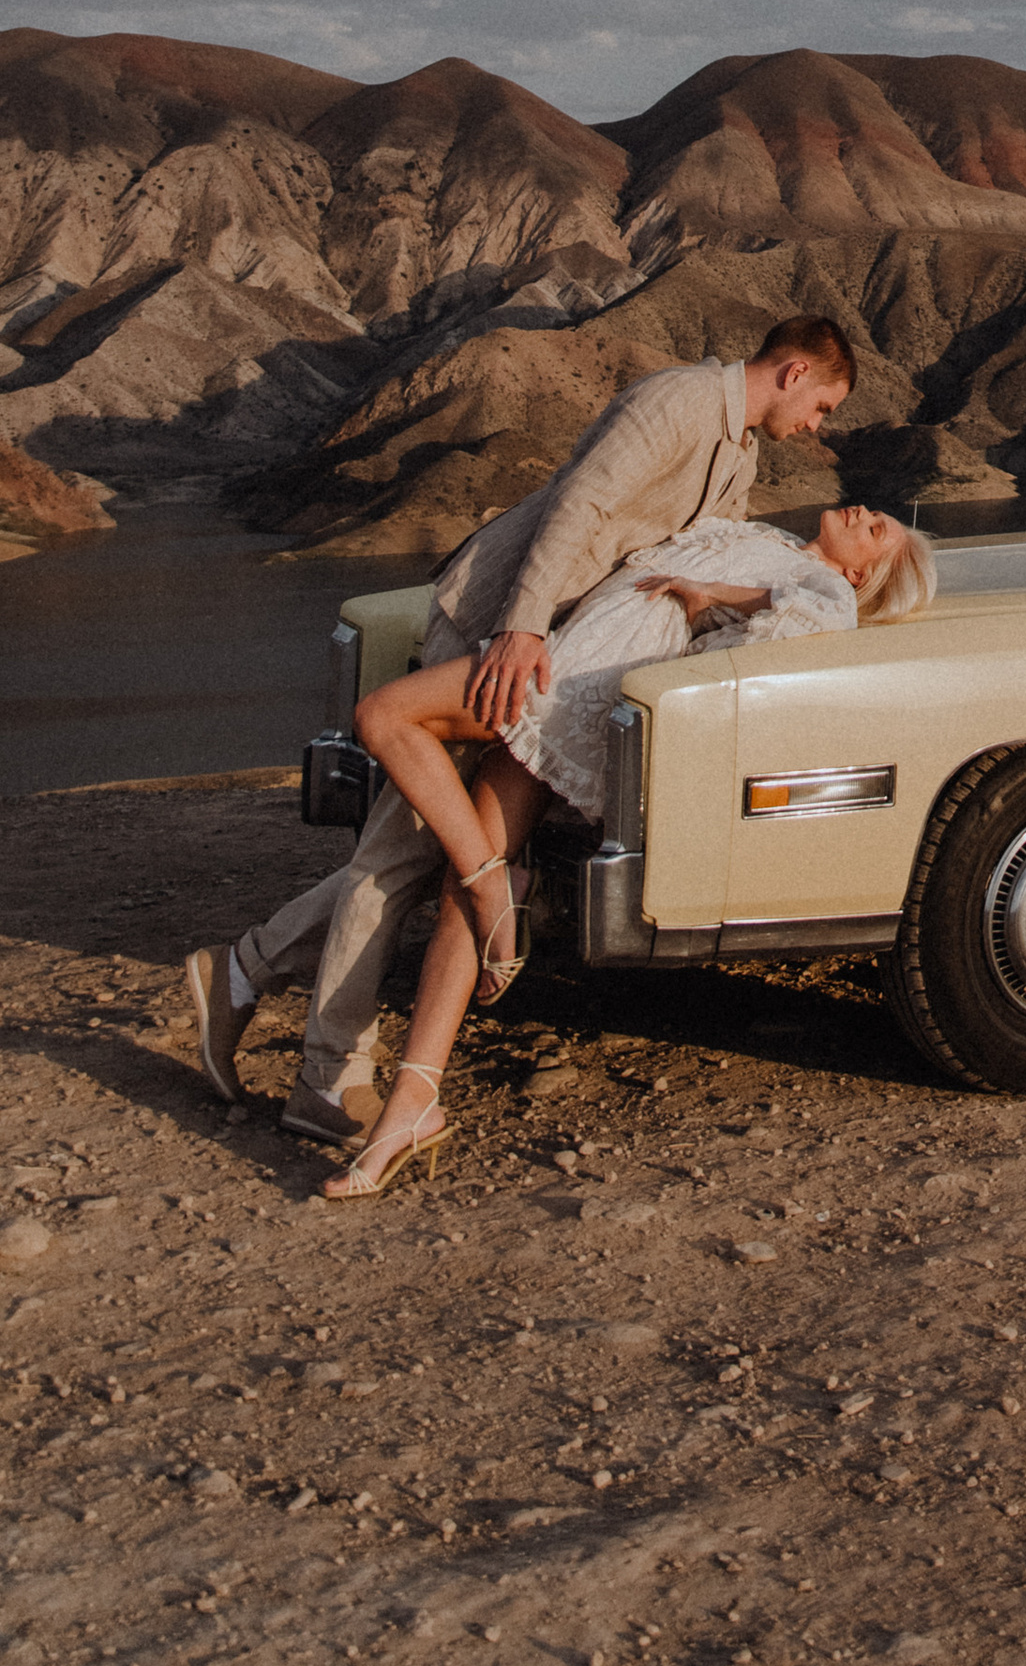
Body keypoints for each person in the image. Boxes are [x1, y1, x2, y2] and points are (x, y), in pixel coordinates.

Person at [184, 318, 862, 1143]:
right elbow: (580, 502)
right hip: (499, 618)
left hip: (561, 647)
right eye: (823, 406)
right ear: (794, 373)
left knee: (430, 846)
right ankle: (325, 1073)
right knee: (401, 852)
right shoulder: (679, 401)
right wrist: (522, 626)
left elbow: (693, 559)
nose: (817, 426)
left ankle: (246, 970)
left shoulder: (740, 454)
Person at [320, 497, 936, 1199]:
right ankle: (414, 1101)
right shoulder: (772, 540)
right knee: (460, 891)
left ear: (860, 575)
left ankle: (495, 886)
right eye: (874, 514)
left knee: (383, 714)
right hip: (570, 660)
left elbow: (807, 626)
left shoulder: (825, 588)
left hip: (570, 683)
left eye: (876, 530)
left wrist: (710, 602)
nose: (863, 512)